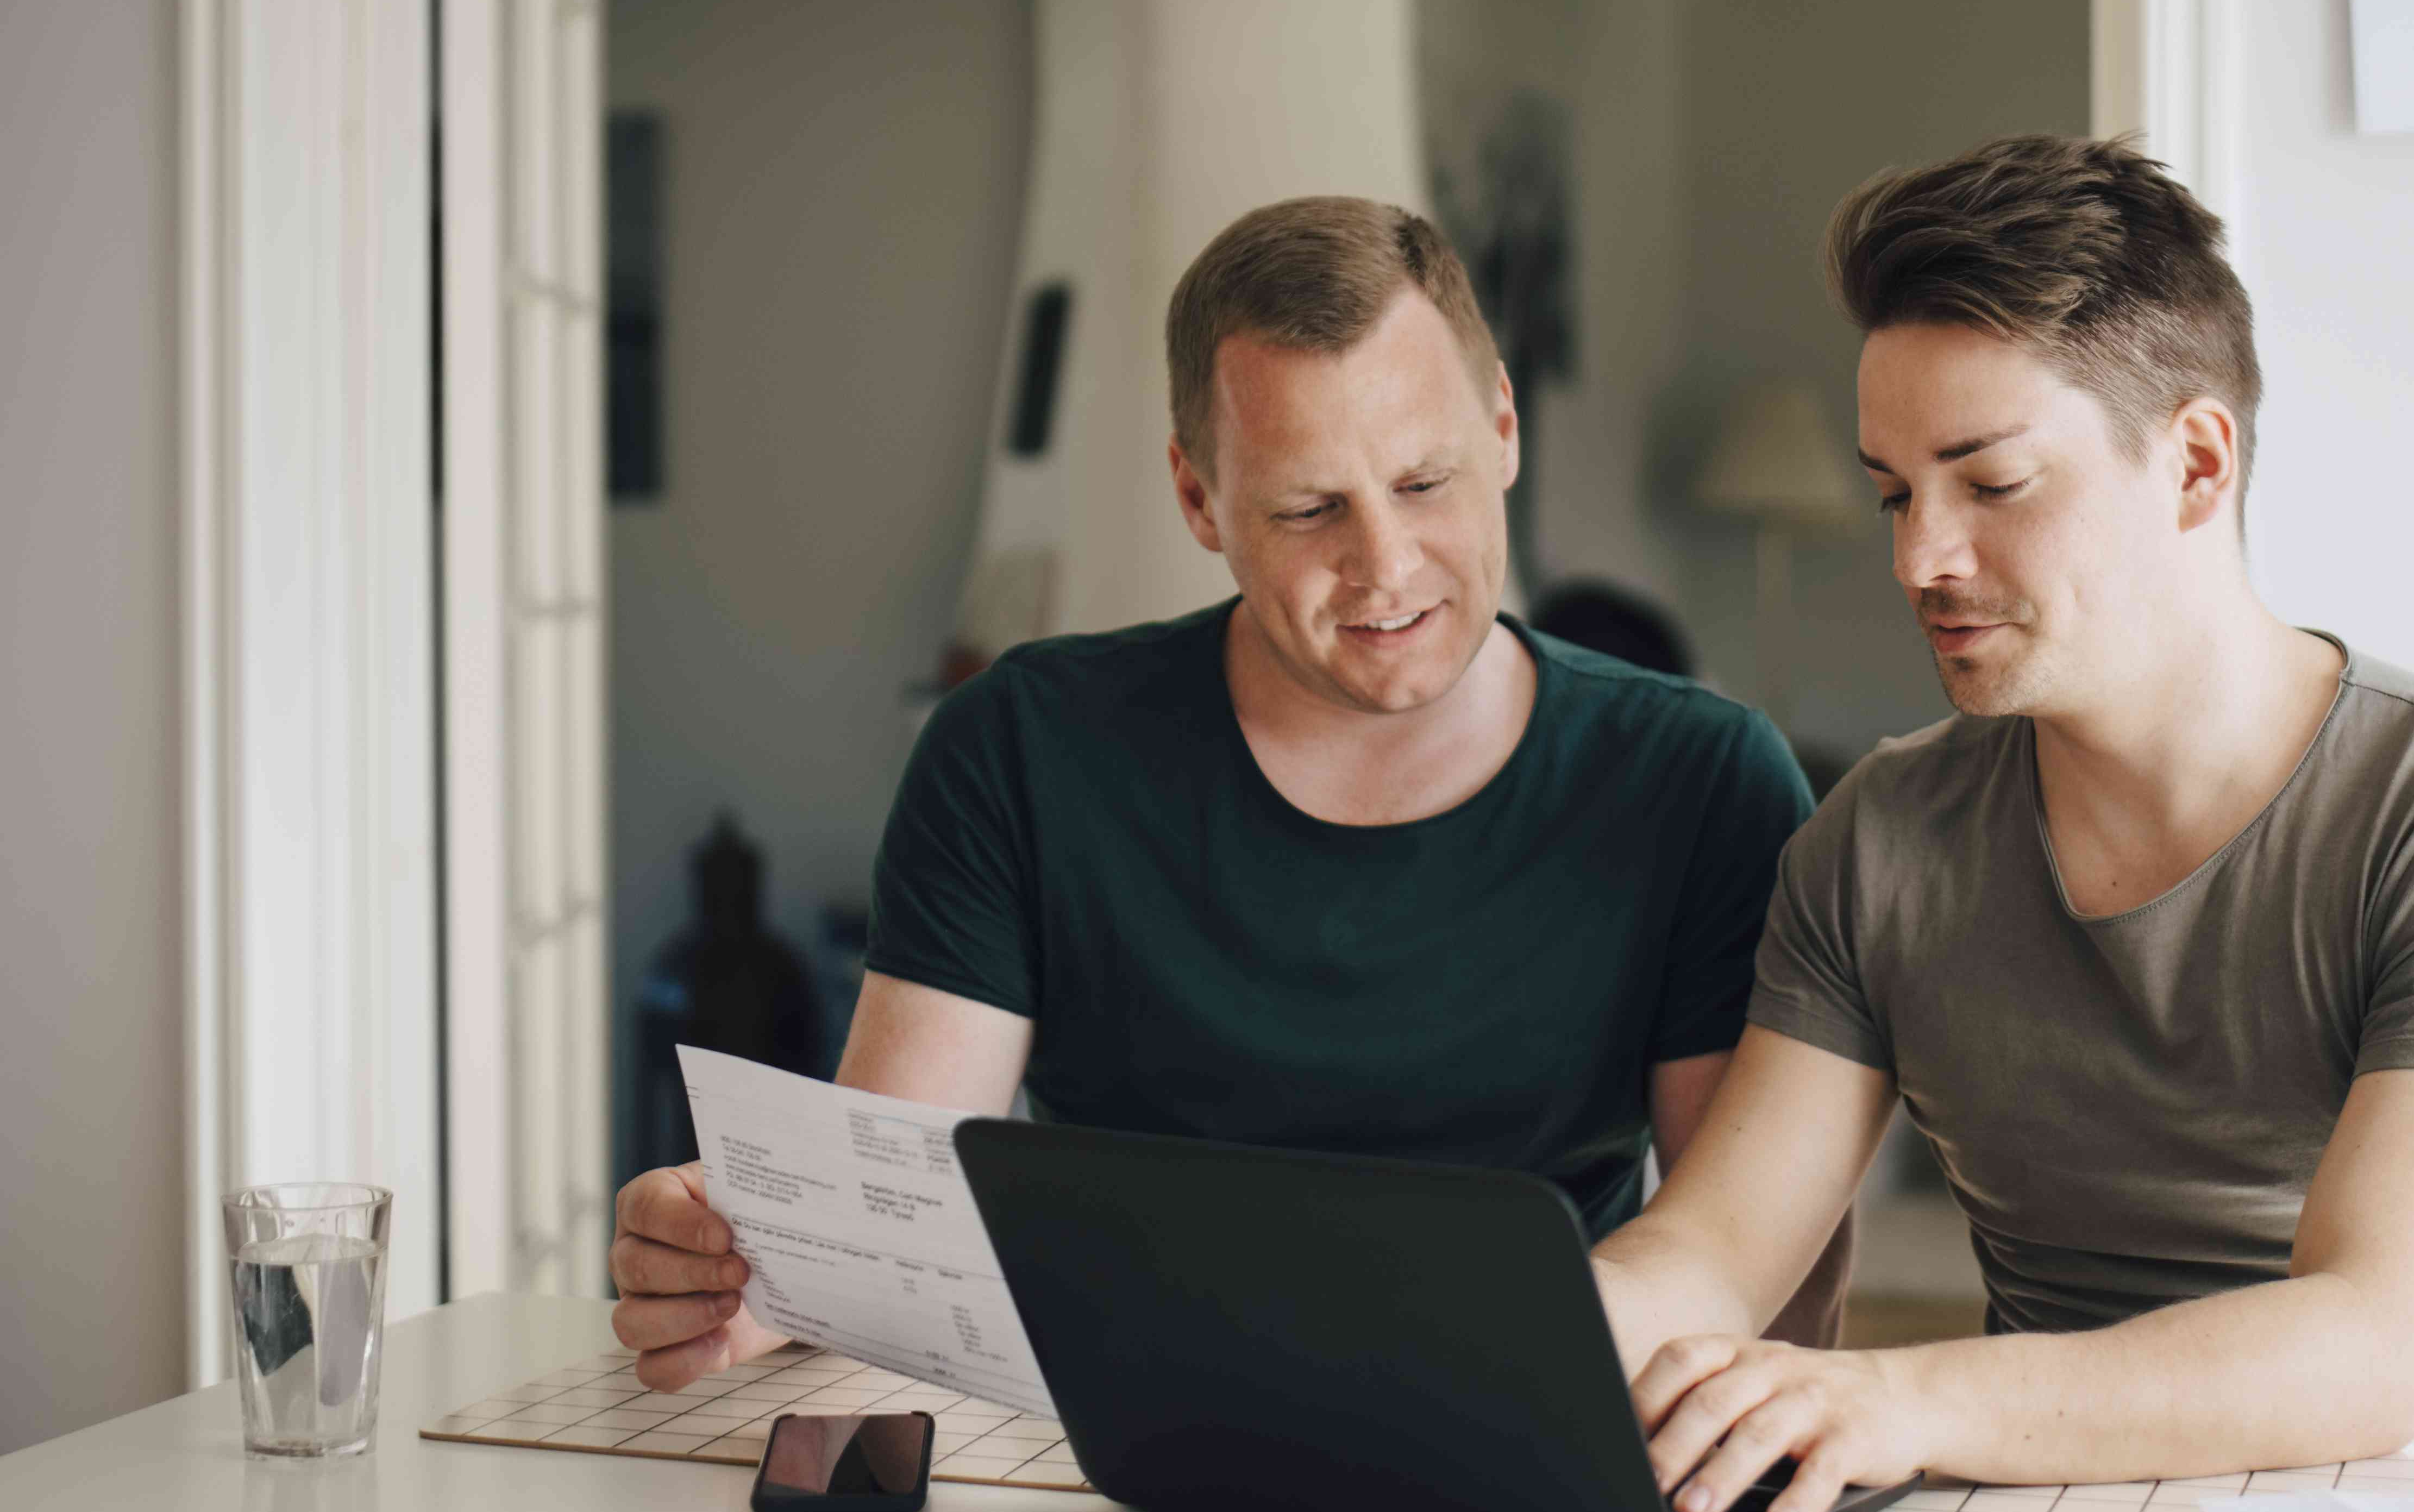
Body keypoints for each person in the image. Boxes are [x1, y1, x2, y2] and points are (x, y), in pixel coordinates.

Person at [609, 197, 1846, 1390]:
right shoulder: (1022, 748)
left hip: (1528, 1417)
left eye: (1426, 482)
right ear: (1199, 496)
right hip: (1110, 1449)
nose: (1386, 566)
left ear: (1505, 428)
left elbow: (1753, 1288)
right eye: (1310, 508)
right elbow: (885, 1230)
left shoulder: (1700, 780)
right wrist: (744, 1274)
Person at [1591, 134, 2414, 1512]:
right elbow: (1713, 1249)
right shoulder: (1878, 837)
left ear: (2195, 462)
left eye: (1991, 484)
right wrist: (1492, 1354)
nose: (1917, 560)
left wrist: (1898, 1397)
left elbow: (2368, 1349)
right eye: (1894, 491)